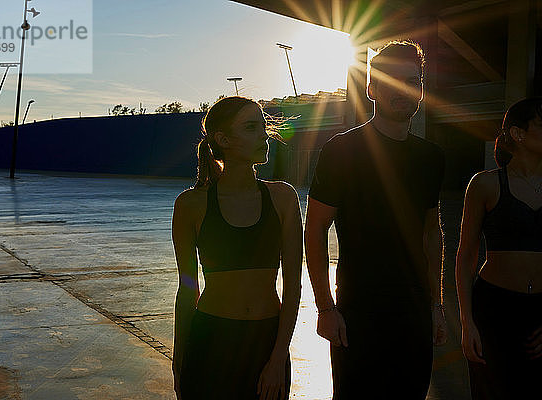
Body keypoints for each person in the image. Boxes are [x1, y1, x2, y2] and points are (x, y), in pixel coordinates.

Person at [305, 40, 447, 399]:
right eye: (392, 81)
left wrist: (436, 305)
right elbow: (315, 229)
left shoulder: (431, 158)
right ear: (371, 88)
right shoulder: (341, 150)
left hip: (414, 310)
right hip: (358, 309)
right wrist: (325, 307)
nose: (404, 90)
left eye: (413, 81)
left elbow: (432, 233)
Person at [171, 96, 302, 400]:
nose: (264, 135)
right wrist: (180, 360)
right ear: (224, 139)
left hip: (267, 342)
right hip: (210, 341)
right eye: (251, 128)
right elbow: (187, 289)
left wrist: (278, 358)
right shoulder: (191, 205)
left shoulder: (283, 198)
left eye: (264, 126)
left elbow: (293, 286)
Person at [456, 97, 542, 399]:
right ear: (518, 134)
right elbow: (465, 258)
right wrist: (467, 324)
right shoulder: (485, 185)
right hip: (493, 311)